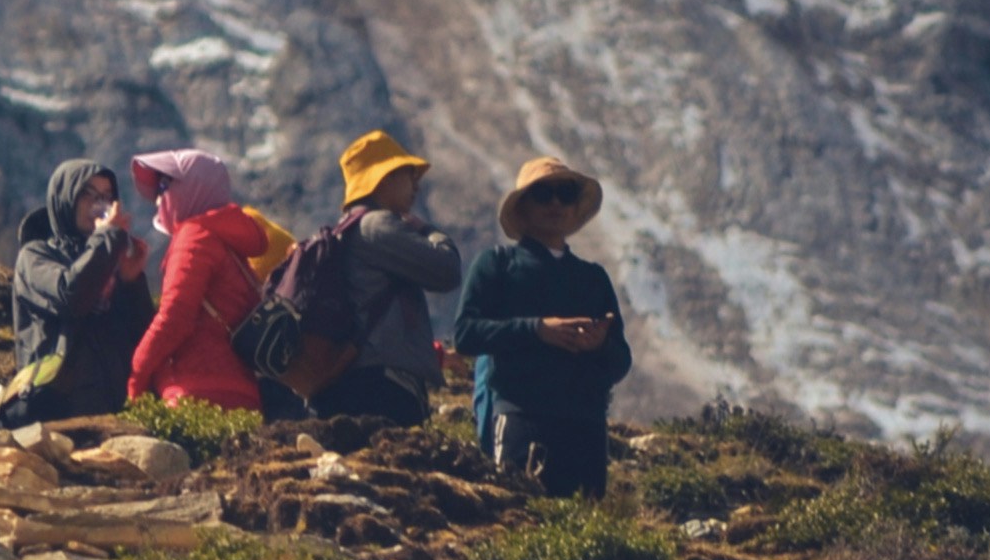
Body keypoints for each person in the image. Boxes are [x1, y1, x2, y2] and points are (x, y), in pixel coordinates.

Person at [449, 156, 629, 495]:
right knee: (517, 512)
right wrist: (537, 330)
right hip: (522, 418)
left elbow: (621, 361)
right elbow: (466, 334)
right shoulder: (497, 265)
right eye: (544, 194)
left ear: (575, 208)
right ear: (524, 207)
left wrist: (599, 346)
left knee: (580, 519)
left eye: (566, 194)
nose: (556, 204)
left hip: (585, 430)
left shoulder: (593, 278)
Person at [292, 131, 458, 424]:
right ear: (384, 178)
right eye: (409, 173)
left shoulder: (347, 230)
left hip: (345, 384)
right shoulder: (377, 225)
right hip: (381, 388)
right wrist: (426, 230)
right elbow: (446, 269)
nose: (416, 185)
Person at [0, 158, 152, 428]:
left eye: (106, 196)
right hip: (53, 412)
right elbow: (71, 296)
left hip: (113, 413)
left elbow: (142, 335)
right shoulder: (35, 256)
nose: (98, 205)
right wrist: (106, 239)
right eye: (87, 194)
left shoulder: (109, 260)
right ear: (66, 199)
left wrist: (131, 282)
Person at [126, 148, 283, 415]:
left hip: (195, 392)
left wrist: (136, 375)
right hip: (242, 393)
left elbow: (176, 316)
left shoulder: (194, 237)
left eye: (164, 186)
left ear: (192, 188)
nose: (158, 198)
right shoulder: (230, 245)